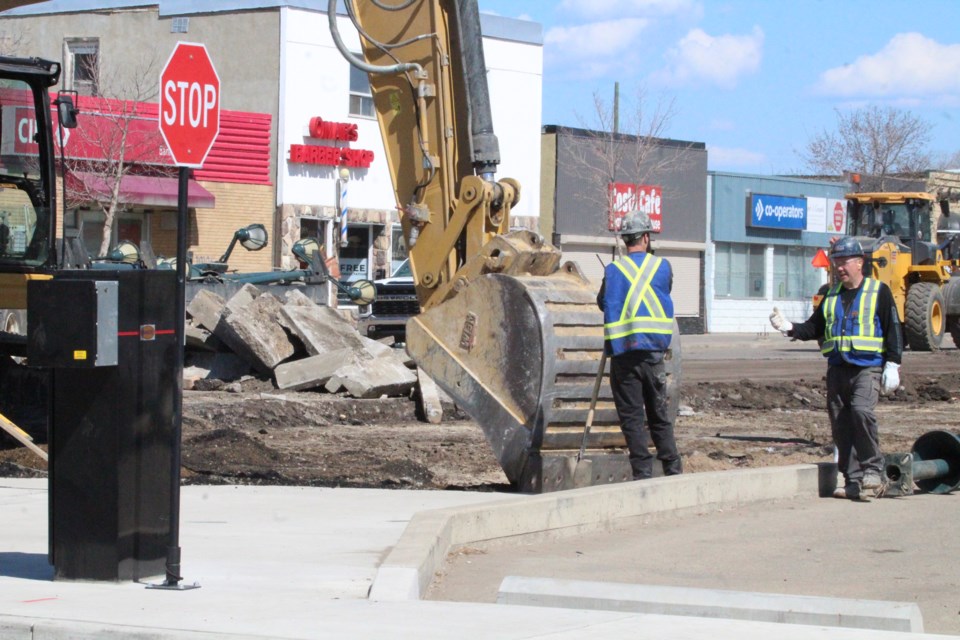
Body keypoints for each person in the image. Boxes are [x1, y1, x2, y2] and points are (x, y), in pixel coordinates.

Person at [769, 237, 902, 500]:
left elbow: (893, 329)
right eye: (836, 262)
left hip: (868, 367)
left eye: (844, 262)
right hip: (837, 369)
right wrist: (789, 327)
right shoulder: (830, 294)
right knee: (841, 425)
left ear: (859, 263)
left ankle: (873, 470)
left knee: (862, 413)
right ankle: (853, 481)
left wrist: (893, 364)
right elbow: (814, 327)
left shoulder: (878, 291)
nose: (839, 268)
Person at [597, 210, 682, 480]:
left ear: (624, 241)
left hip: (623, 357)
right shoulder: (662, 267)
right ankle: (672, 468)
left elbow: (603, 302)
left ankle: (643, 473)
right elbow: (664, 289)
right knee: (659, 414)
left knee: (632, 419)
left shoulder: (613, 270)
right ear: (646, 238)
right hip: (654, 356)